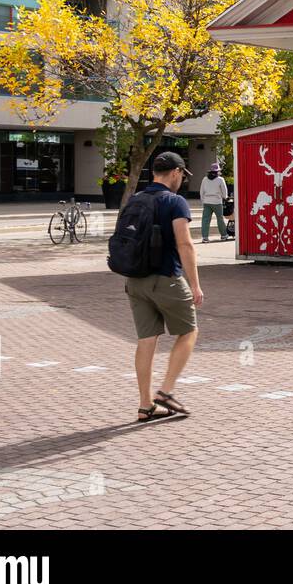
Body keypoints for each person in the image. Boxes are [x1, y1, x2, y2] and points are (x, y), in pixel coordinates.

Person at [123, 152, 203, 422]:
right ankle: (165, 392)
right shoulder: (175, 201)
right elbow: (185, 244)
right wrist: (195, 285)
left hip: (135, 280)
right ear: (176, 173)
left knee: (146, 340)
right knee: (189, 331)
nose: (181, 179)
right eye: (182, 175)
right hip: (166, 278)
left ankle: (145, 405)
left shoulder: (135, 199)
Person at [199, 162, 230, 242]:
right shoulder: (220, 179)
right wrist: (225, 197)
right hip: (217, 202)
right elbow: (224, 190)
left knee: (205, 220)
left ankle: (205, 237)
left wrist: (202, 200)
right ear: (217, 171)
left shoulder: (205, 179)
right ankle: (224, 235)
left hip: (207, 202)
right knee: (220, 219)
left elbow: (201, 191)